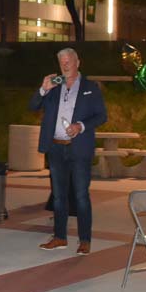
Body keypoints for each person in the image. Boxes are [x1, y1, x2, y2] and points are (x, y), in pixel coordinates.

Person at [28, 48, 108, 254]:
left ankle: (84, 240)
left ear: (77, 62)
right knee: (58, 196)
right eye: (62, 62)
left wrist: (80, 126)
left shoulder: (90, 87)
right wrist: (43, 89)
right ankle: (59, 237)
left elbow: (101, 116)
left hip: (79, 148)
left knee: (81, 195)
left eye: (69, 61)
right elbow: (33, 106)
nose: (65, 65)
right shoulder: (54, 85)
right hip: (56, 147)